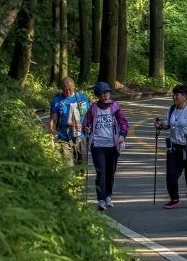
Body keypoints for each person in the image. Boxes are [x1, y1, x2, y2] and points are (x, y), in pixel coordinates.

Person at [82, 81, 129, 211]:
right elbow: (85, 123)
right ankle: (101, 199)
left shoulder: (115, 106)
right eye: (103, 93)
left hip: (113, 145)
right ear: (98, 95)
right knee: (100, 172)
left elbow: (123, 122)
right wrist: (86, 129)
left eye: (107, 92)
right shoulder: (93, 108)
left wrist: (122, 135)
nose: (106, 95)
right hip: (97, 145)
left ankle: (108, 195)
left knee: (110, 173)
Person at [154, 84, 187, 210]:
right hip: (174, 148)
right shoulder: (171, 109)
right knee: (171, 175)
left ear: (184, 97)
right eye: (174, 94)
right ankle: (174, 199)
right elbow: (167, 124)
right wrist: (160, 125)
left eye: (177, 94)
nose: (174, 97)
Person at [49, 77, 90, 166]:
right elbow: (53, 118)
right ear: (61, 89)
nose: (68, 92)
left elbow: (89, 115)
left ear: (74, 87)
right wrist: (51, 132)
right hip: (64, 138)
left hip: (80, 137)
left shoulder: (82, 98)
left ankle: (80, 179)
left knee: (82, 166)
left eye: (70, 90)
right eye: (65, 90)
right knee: (69, 167)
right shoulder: (57, 100)